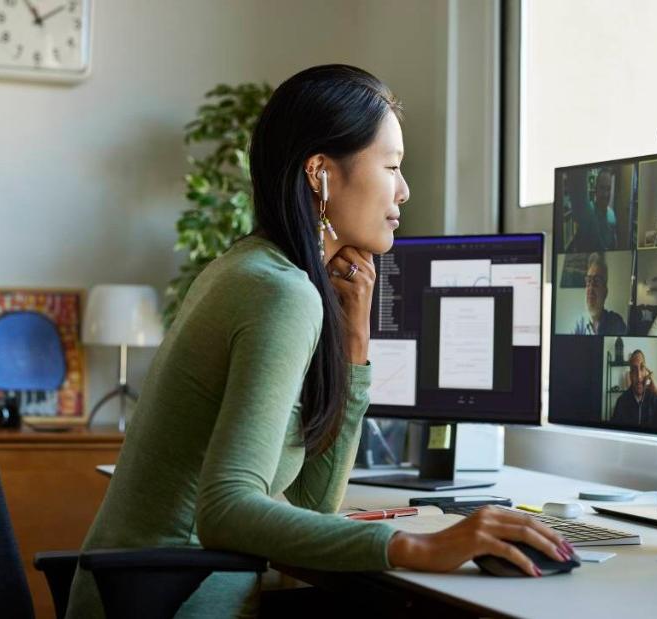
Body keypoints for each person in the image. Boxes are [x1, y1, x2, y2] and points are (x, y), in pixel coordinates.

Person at [66, 65, 571, 619]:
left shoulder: (252, 268)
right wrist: (419, 545)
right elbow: (226, 510)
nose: (404, 189)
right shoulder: (279, 292)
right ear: (320, 173)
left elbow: (313, 504)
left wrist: (356, 340)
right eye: (392, 166)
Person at [572, 252, 627, 335]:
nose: (590, 288)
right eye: (588, 281)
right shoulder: (577, 324)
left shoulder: (616, 322)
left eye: (597, 281)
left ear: (605, 292)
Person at [568, 167, 619, 252]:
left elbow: (613, 243)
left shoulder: (612, 214)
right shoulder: (587, 212)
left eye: (608, 189)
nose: (606, 194)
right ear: (596, 189)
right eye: (602, 188)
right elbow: (576, 179)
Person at [610, 349, 657, 426]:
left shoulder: (656, 399)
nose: (639, 377)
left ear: (647, 373)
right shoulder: (621, 402)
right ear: (630, 375)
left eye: (642, 368)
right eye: (634, 369)